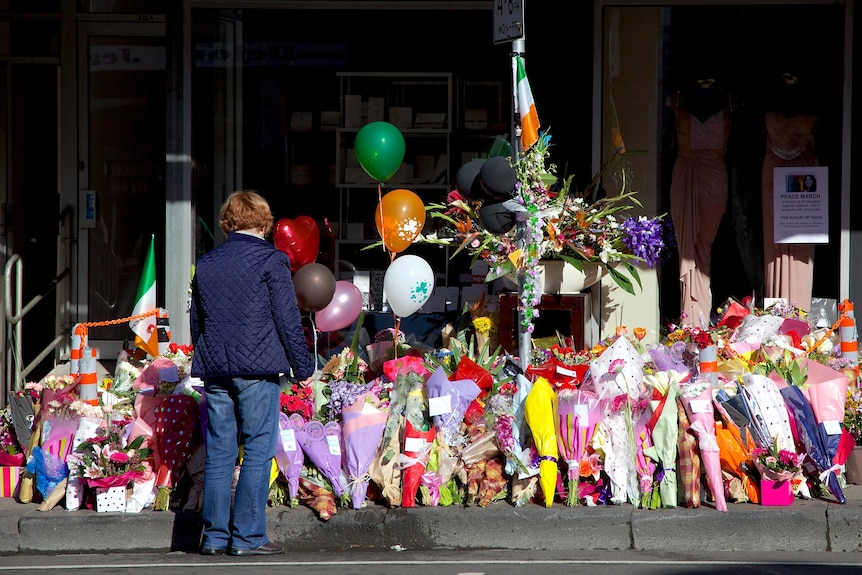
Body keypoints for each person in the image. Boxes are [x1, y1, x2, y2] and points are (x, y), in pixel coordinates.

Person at [191, 190, 315, 556]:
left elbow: (197, 320)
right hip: (258, 370)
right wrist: (303, 365)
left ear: (228, 221)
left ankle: (213, 537)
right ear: (264, 221)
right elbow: (287, 319)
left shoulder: (207, 262)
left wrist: (206, 354)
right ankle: (247, 537)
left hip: (216, 368)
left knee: (219, 452)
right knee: (258, 450)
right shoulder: (272, 261)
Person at [667, 79, 732, 326]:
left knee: (704, 245)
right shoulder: (679, 101)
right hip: (685, 177)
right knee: (688, 247)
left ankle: (699, 311)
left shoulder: (728, 102)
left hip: (714, 181)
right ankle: (691, 314)